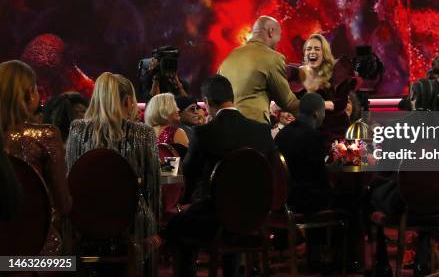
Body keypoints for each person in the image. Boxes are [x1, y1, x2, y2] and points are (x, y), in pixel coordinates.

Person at [164, 74, 275, 277]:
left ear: (206, 102)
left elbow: (188, 177)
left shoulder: (204, 133)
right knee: (226, 214)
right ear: (232, 97)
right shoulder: (262, 131)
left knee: (175, 227)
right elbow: (274, 174)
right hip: (254, 217)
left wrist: (184, 202)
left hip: (215, 219)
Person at [66, 73, 160, 276]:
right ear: (128, 101)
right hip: (132, 222)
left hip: (84, 219)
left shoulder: (76, 130)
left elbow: (70, 179)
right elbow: (152, 188)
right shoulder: (144, 133)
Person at [0, 60, 72, 254]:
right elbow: (64, 205)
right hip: (39, 252)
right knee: (72, 262)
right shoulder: (47, 135)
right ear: (29, 95)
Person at [218, 15, 299, 124]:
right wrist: (314, 113)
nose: (278, 41)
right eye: (279, 36)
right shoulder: (272, 57)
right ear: (271, 31)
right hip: (254, 130)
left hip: (225, 128)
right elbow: (288, 102)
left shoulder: (229, 58)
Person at [291, 33, 358, 146]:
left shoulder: (337, 72)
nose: (312, 51)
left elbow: (341, 103)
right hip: (307, 132)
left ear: (324, 53)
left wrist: (318, 104)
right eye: (308, 49)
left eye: (317, 49)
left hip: (334, 132)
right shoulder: (298, 74)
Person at [276, 92, 330, 215]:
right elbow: (320, 177)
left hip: (282, 200)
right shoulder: (314, 137)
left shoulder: (281, 134)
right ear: (317, 114)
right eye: (324, 112)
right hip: (305, 202)